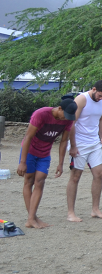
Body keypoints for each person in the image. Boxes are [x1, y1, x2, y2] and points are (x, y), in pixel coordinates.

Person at [17, 96, 78, 228]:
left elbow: (63, 141)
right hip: (30, 151)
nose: (66, 118)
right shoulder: (41, 114)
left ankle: (31, 218)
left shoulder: (67, 120)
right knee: (29, 181)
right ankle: (32, 219)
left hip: (45, 153)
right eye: (65, 115)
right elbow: (28, 137)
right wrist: (23, 161)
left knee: (40, 181)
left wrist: (61, 163)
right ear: (59, 108)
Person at [66, 80, 102, 222]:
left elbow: (101, 119)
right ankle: (71, 212)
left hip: (94, 142)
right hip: (79, 142)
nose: (100, 98)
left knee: (99, 174)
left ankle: (95, 209)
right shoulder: (81, 99)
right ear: (93, 89)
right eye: (99, 95)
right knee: (75, 176)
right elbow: (71, 123)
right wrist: (73, 145)